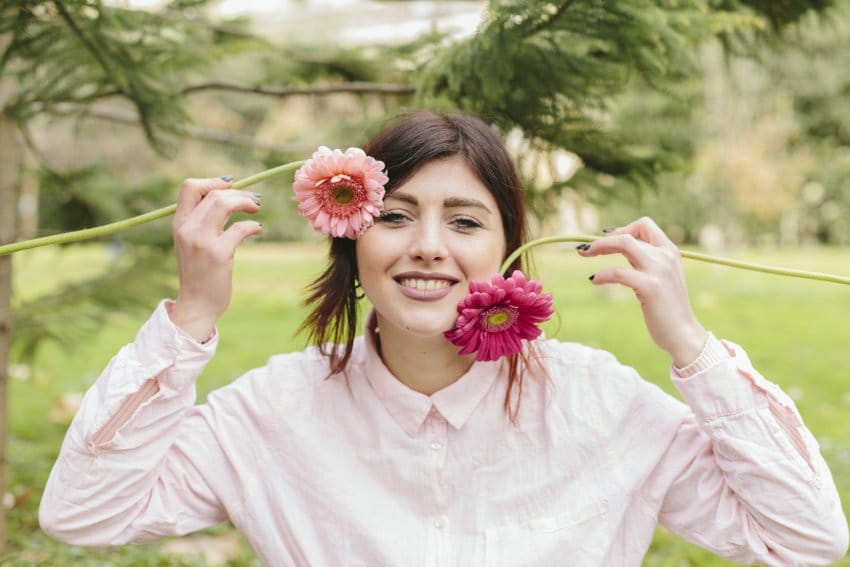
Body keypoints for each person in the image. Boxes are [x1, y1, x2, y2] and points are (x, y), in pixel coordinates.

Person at [40, 111, 847, 566]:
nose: (428, 245)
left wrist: (692, 348)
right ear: (351, 240)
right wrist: (190, 317)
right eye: (395, 217)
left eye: (464, 221)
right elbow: (82, 513)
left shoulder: (601, 405)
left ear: (506, 250)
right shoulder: (272, 412)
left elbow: (807, 536)